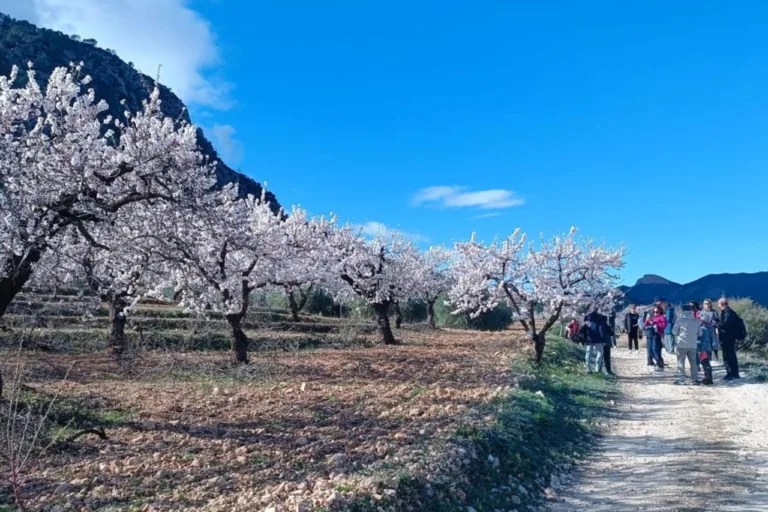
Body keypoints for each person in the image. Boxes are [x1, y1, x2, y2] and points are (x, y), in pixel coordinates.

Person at [672, 302, 700, 385]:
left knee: (681, 361)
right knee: (693, 362)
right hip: (693, 344)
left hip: (682, 344)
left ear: (682, 310)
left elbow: (674, 332)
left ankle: (681, 379)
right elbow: (700, 333)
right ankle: (695, 379)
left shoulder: (680, 320)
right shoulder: (696, 321)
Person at [717, 298, 742, 381]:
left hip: (727, 338)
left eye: (719, 304)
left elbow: (726, 324)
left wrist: (717, 325)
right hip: (729, 337)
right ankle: (733, 373)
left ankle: (731, 374)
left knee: (728, 356)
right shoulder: (729, 312)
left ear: (721, 304)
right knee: (730, 355)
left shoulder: (728, 312)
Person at [583, 307, 610, 375]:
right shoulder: (599, 317)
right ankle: (597, 369)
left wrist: (584, 338)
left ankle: (588, 369)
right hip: (598, 339)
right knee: (600, 354)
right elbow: (601, 329)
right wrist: (603, 339)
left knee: (588, 354)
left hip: (589, 339)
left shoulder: (586, 317)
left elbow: (585, 328)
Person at [695, 301, 715, 385]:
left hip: (703, 348)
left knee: (705, 362)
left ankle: (708, 379)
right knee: (705, 362)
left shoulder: (703, 329)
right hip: (704, 347)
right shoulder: (704, 328)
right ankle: (707, 378)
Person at [644, 304, 667, 371]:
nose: (655, 313)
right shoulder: (653, 317)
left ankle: (659, 363)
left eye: (656, 312)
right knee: (650, 349)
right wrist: (647, 322)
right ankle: (655, 361)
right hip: (650, 335)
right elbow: (645, 325)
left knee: (655, 349)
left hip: (657, 335)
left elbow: (663, 325)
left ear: (660, 311)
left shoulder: (662, 317)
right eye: (654, 312)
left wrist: (655, 324)